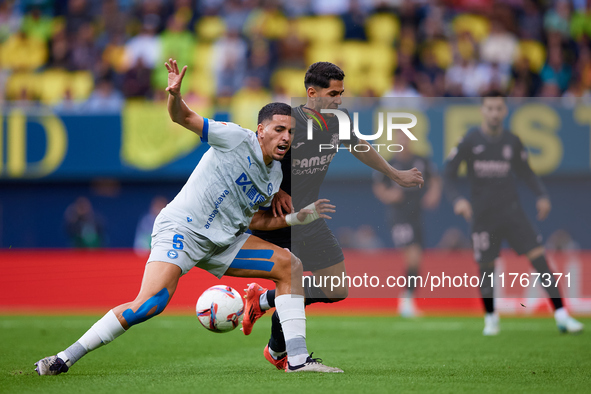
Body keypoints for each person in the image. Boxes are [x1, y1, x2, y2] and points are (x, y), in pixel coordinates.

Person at [35, 58, 343, 375]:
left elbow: (257, 222)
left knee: (290, 266)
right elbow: (183, 116)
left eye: (290, 132)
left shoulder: (273, 179)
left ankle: (297, 361)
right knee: (149, 304)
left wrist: (296, 219)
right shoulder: (234, 137)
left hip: (225, 243)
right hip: (183, 231)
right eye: (279, 130)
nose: (286, 138)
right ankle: (64, 357)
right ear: (260, 130)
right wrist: (174, 94)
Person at [249, 62, 425, 370]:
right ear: (312, 93)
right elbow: (255, 154)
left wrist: (395, 174)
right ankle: (285, 354)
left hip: (313, 217)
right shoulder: (289, 122)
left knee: (336, 289)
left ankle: (264, 302)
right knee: (291, 279)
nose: (339, 100)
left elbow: (359, 146)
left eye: (342, 93)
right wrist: (274, 190)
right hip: (282, 218)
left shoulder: (338, 120)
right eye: (333, 93)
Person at [443, 91, 583, 336]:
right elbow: (448, 174)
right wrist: (457, 201)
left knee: (539, 258)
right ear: (482, 111)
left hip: (512, 212)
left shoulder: (512, 141)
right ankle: (491, 318)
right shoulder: (469, 141)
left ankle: (562, 315)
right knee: (486, 266)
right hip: (483, 216)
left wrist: (541, 195)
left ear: (505, 111)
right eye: (490, 108)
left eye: (499, 108)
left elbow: (526, 171)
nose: (494, 113)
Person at [372, 130, 442, 317]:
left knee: (417, 257)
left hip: (416, 214)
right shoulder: (389, 162)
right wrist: (388, 195)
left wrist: (434, 193)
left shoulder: (421, 160)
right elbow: (378, 185)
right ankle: (406, 300)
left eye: (406, 138)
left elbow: (435, 179)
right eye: (400, 138)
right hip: (399, 215)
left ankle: (407, 299)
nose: (403, 141)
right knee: (412, 256)